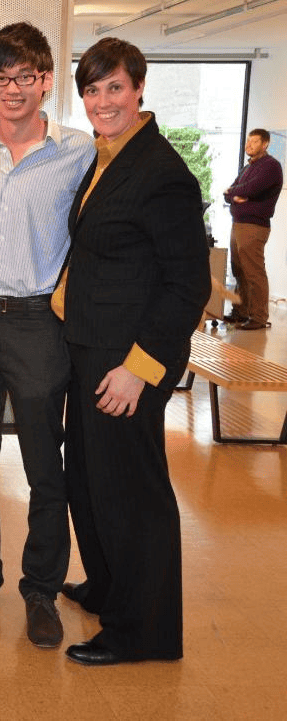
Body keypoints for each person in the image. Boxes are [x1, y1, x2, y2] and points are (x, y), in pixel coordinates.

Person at [54, 37, 211, 666]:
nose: (103, 101)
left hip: (127, 360)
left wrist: (138, 370)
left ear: (139, 88)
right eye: (92, 90)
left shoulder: (162, 173)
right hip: (92, 347)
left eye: (114, 87)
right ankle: (109, 587)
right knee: (90, 480)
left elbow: (187, 284)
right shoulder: (108, 156)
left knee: (130, 492)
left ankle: (143, 631)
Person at [0, 22, 95, 648]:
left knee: (43, 466)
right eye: (1, 78)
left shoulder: (79, 152)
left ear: (46, 80)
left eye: (25, 77)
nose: (12, 89)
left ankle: (41, 590)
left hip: (39, 324)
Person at [224, 127, 283, 330]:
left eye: (254, 141)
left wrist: (237, 192)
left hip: (254, 226)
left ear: (265, 144)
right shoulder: (247, 167)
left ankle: (258, 317)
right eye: (248, 141)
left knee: (253, 272)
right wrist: (235, 194)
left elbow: (251, 188)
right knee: (239, 269)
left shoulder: (271, 166)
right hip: (238, 223)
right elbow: (229, 192)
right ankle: (241, 311)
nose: (249, 145)